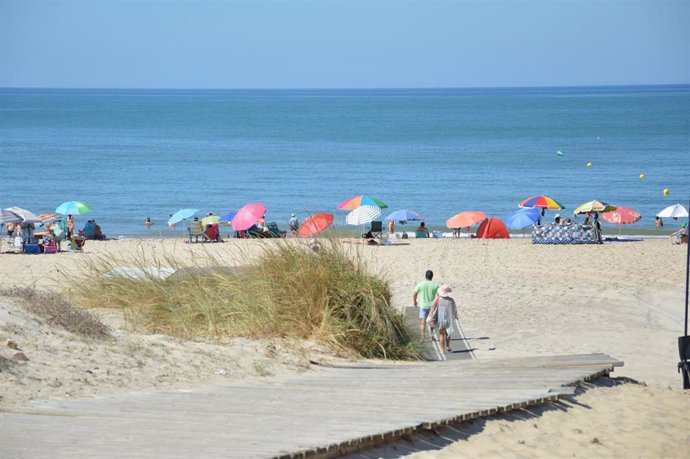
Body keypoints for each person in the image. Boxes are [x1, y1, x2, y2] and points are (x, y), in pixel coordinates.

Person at [413, 270, 439, 340]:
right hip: (432, 306)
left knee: (423, 322)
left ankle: (423, 337)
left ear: (425, 276)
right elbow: (439, 295)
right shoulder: (435, 285)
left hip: (423, 306)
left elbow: (414, 294)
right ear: (432, 276)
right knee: (431, 321)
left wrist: (415, 302)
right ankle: (431, 334)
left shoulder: (421, 284)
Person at [433, 285, 458, 353]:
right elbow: (454, 309)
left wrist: (431, 315)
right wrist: (455, 315)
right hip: (449, 319)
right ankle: (448, 346)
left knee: (441, 334)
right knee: (448, 333)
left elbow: (433, 308)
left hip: (440, 319)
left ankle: (442, 349)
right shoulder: (451, 300)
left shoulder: (438, 299)